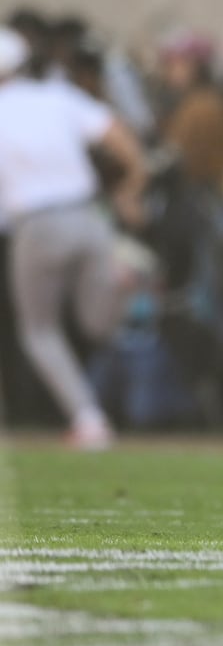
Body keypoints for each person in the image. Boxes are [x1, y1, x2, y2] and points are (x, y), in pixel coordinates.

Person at [0, 26, 147, 448]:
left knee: (39, 330)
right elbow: (118, 135)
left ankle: (88, 418)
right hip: (87, 216)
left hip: (36, 223)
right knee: (96, 325)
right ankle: (121, 283)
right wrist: (131, 188)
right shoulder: (56, 97)